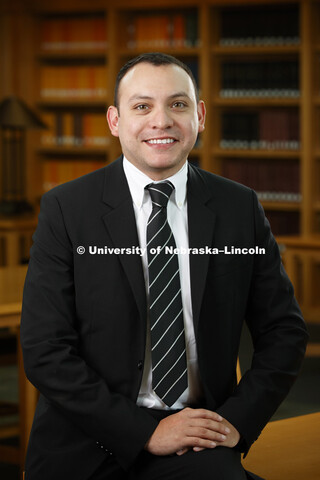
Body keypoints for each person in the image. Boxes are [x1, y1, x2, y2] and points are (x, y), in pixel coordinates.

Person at [21, 53, 308, 480]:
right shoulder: (66, 208)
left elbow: (284, 332)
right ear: (115, 120)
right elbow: (45, 351)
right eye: (142, 106)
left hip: (197, 438)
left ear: (200, 115)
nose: (162, 120)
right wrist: (144, 433)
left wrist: (236, 423)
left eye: (178, 104)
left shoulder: (238, 207)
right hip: (87, 439)